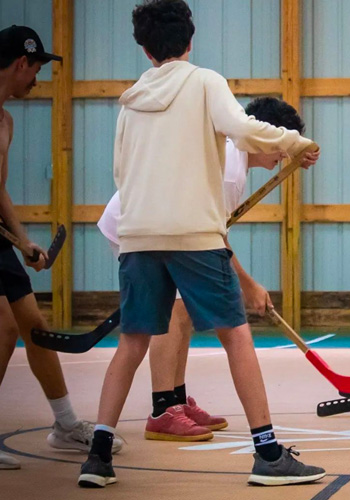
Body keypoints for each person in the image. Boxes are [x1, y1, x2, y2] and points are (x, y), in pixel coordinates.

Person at [78, 1, 325, 488]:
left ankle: (99, 457)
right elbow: (240, 129)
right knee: (236, 335)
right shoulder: (204, 80)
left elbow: (120, 172)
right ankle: (268, 454)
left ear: (146, 50)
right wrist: (294, 142)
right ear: (189, 42)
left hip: (138, 235)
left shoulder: (129, 100)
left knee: (132, 342)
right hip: (191, 235)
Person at [96, 97, 318, 442]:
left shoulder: (234, 158)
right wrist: (247, 285)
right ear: (262, 134)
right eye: (281, 146)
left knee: (180, 309)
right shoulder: (229, 170)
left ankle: (177, 400)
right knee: (174, 311)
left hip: (158, 225)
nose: (283, 157)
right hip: (138, 226)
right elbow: (215, 239)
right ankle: (163, 409)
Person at [0, 25, 122, 471]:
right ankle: (66, 423)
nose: (37, 79)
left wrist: (23, 239)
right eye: (36, 69)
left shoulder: (6, 121)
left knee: (31, 326)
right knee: (9, 327)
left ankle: (65, 425)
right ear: (21, 64)